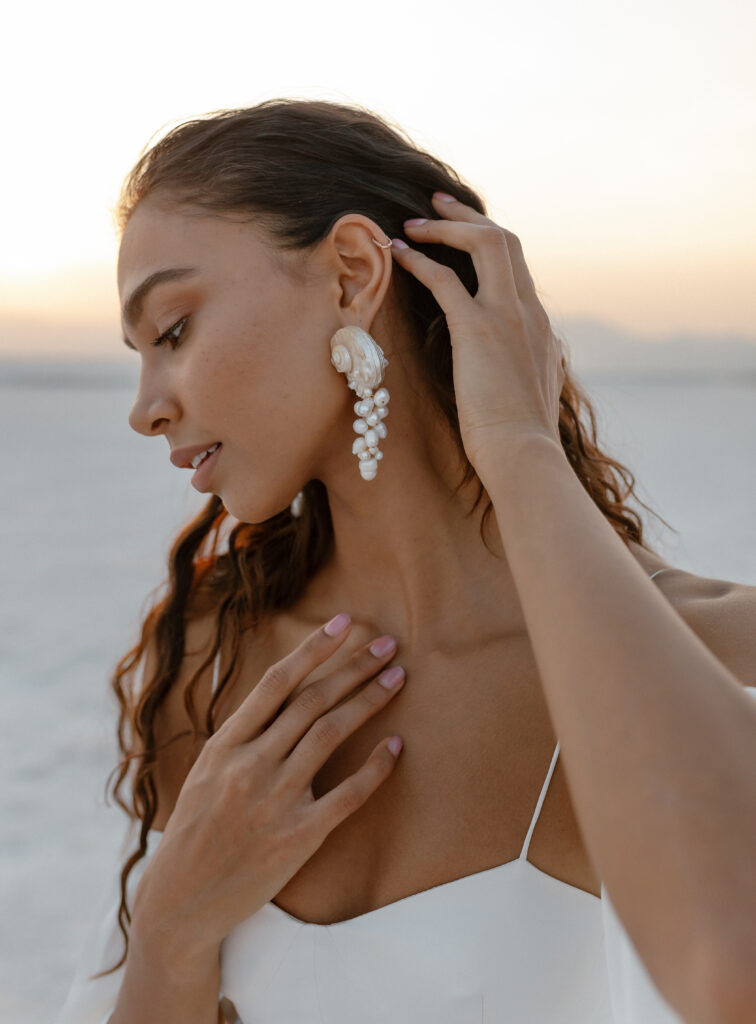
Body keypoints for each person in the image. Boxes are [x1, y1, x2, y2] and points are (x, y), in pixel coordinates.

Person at [55, 98, 756, 1024]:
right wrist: (169, 938)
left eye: (173, 331)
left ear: (351, 274)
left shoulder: (722, 656)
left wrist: (518, 446)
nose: (146, 407)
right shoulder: (218, 663)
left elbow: (729, 963)